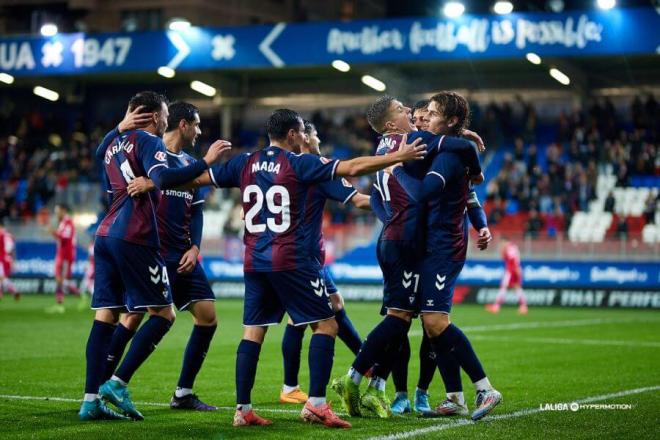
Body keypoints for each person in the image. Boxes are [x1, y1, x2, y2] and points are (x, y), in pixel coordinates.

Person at [196, 108, 427, 428]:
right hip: (293, 258)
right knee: (326, 325)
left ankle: (243, 409)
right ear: (292, 134)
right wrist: (398, 156)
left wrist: (157, 180)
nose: (307, 137)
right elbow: (355, 166)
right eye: (304, 133)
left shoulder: (244, 162)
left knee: (254, 331)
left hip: (254, 259)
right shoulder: (301, 164)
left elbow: (198, 178)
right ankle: (316, 403)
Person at [78, 91, 230, 421]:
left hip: (148, 243)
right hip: (143, 243)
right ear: (170, 120)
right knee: (144, 317)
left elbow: (196, 210)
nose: (201, 132)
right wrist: (207, 162)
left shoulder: (122, 148)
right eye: (198, 125)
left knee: (204, 316)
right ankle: (111, 384)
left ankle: (106, 396)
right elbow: (159, 176)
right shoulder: (151, 147)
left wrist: (195, 246)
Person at [332, 95, 486, 419]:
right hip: (407, 241)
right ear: (391, 123)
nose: (414, 117)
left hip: (391, 237)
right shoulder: (409, 142)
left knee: (404, 319)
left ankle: (377, 390)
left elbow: (375, 196)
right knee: (402, 319)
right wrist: (465, 139)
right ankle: (356, 378)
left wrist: (387, 217)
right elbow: (451, 153)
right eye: (404, 111)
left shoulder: (381, 150)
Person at [389, 91, 502, 421]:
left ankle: (484, 388)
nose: (425, 118)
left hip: (444, 247)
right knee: (430, 324)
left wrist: (396, 169)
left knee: (436, 321)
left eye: (433, 114)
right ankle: (454, 396)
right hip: (430, 245)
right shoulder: (447, 148)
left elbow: (424, 194)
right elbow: (470, 192)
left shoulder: (450, 157)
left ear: (450, 121)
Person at [279, 120, 370, 404]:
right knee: (301, 320)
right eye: (316, 133)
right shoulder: (318, 166)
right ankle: (291, 388)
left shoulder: (285, 166)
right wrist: (399, 201)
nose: (319, 139)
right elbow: (359, 201)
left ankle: (366, 363)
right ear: (305, 137)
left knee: (334, 303)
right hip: (300, 255)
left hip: (298, 253)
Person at [46, 203, 79, 312]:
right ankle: (60, 303)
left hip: (66, 254)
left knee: (63, 280)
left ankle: (78, 295)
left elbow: (65, 238)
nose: (56, 214)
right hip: (61, 253)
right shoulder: (63, 223)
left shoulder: (68, 222)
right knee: (59, 279)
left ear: (63, 210)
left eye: (58, 211)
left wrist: (53, 232)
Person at [486, 238, 527, 314]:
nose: (501, 245)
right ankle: (523, 307)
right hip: (516, 269)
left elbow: (512, 259)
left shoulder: (509, 247)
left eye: (502, 243)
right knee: (517, 287)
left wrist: (515, 269)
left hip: (511, 270)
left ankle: (496, 307)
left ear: (505, 242)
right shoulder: (513, 247)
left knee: (503, 287)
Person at [0, 224, 18, 300]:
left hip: (1, 258)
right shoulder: (9, 236)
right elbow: (12, 250)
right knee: (2, 277)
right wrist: (13, 261)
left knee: (2, 277)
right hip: (8, 259)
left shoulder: (1, 235)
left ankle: (13, 290)